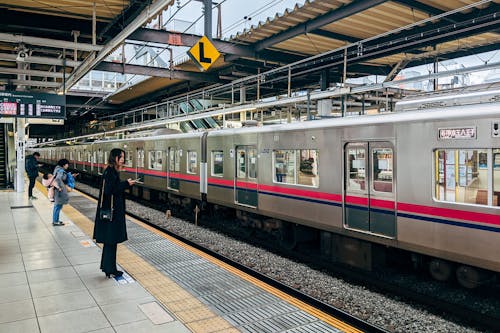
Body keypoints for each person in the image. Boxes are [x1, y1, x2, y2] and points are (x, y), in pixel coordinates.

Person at [93, 148, 136, 278]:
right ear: (115, 158)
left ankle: (108, 267)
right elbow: (109, 190)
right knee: (111, 241)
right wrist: (126, 184)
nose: (123, 160)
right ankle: (110, 268)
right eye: (121, 157)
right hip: (111, 214)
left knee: (110, 242)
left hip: (111, 213)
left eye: (123, 157)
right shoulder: (110, 172)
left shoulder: (111, 171)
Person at [52, 159, 70, 226]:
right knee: (58, 206)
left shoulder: (57, 169)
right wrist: (59, 187)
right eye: (67, 164)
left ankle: (56, 220)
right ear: (64, 164)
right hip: (59, 191)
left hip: (57, 190)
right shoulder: (61, 171)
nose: (67, 166)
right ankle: (55, 221)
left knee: (57, 206)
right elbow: (58, 179)